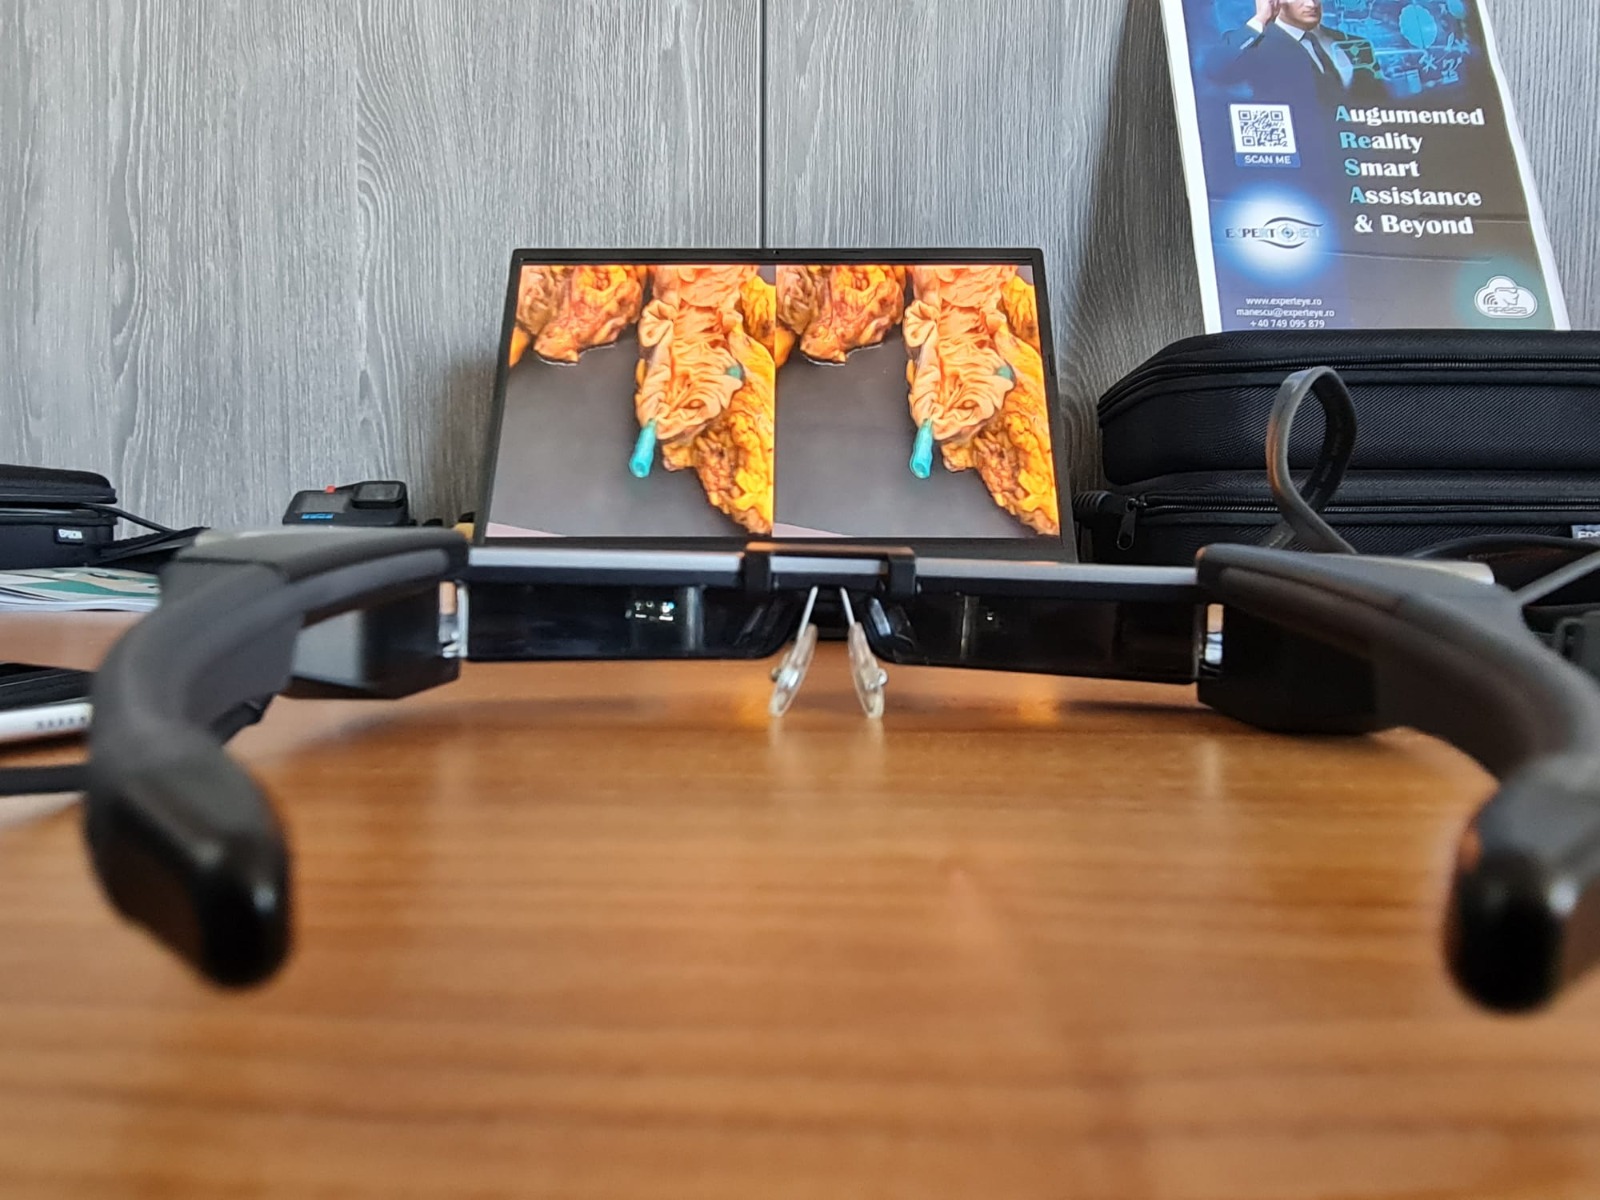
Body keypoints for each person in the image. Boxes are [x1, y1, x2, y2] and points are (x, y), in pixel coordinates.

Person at [1212, 0, 1383, 105]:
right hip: (1298, 146)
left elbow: (1379, 102)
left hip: (1356, 146)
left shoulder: (1355, 45)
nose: (1311, 4)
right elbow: (1218, 71)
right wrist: (1261, 20)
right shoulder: (1257, 44)